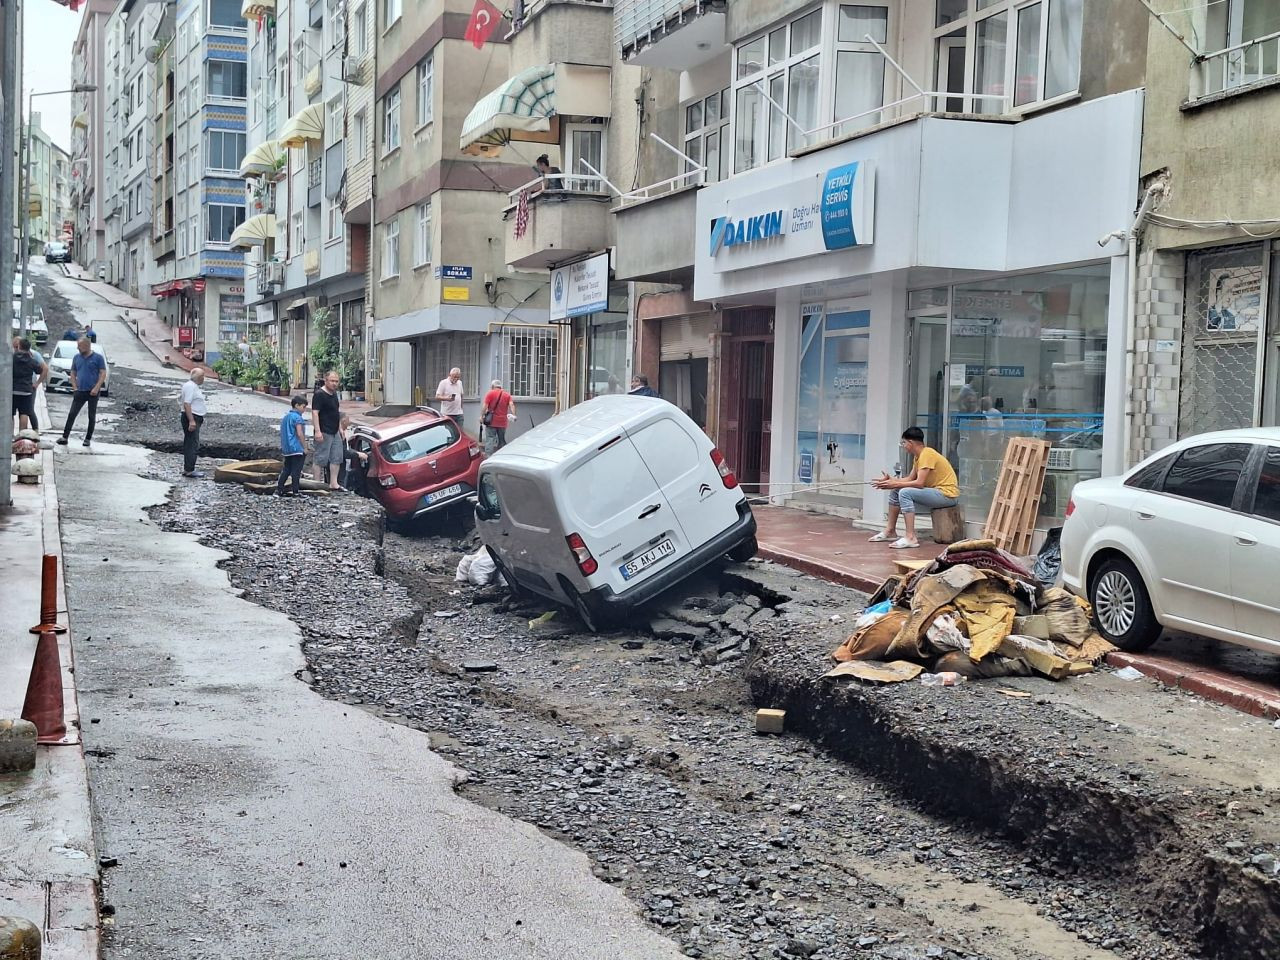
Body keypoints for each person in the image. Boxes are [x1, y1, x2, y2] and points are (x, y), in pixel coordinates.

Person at [869, 426, 960, 550]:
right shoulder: (919, 456)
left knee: (905, 492)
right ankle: (890, 530)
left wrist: (895, 484)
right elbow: (910, 479)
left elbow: (919, 483)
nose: (903, 446)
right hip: (935, 493)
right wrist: (891, 481)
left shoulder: (927, 454)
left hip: (947, 495)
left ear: (910, 443)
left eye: (904, 443)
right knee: (896, 491)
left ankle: (910, 537)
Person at [56, 337, 107, 448]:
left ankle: (87, 439)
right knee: (72, 414)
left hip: (93, 392)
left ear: (87, 346)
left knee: (91, 416)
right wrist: (75, 387)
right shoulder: (77, 357)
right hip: (80, 391)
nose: (78, 348)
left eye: (80, 346)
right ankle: (65, 437)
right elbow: (73, 373)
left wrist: (97, 388)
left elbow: (103, 373)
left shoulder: (98, 358)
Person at [311, 369, 343, 490]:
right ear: (326, 380)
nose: (334, 383)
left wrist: (340, 428)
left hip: (335, 430)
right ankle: (316, 482)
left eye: (336, 381)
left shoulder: (334, 394)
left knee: (337, 457)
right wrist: (317, 431)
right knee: (320, 458)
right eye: (332, 381)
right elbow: (315, 413)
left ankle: (333, 483)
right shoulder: (319, 394)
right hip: (324, 430)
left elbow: (336, 412)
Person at [276, 396, 309, 497]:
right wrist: (305, 447)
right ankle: (295, 491)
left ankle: (279, 489)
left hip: (287, 448)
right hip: (296, 448)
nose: (304, 409)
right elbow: (299, 433)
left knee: (286, 469)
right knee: (296, 471)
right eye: (303, 407)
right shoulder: (298, 418)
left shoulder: (286, 417)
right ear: (297, 405)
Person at [180, 368, 208, 477]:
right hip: (192, 417)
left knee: (190, 442)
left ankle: (188, 468)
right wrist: (191, 421)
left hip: (194, 416)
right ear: (199, 377)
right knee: (192, 444)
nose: (203, 379)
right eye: (202, 377)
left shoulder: (191, 386)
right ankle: (189, 470)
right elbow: (187, 404)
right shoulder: (190, 386)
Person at [11, 338, 40, 432]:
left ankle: (10, 434)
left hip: (13, 389)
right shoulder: (31, 360)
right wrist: (36, 383)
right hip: (26, 390)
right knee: (24, 413)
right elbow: (39, 370)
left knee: (10, 413)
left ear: (19, 346)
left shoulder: (12, 358)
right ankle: (22, 434)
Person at [480, 379, 516, 453]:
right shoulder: (507, 395)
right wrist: (514, 415)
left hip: (491, 422)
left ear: (493, 386)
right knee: (501, 440)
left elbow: (485, 406)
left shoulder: (490, 393)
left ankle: (488, 455)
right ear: (500, 386)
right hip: (502, 422)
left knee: (490, 439)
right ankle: (500, 456)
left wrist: (481, 416)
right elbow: (512, 405)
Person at [338, 414, 369, 495]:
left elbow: (345, 449)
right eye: (348, 421)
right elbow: (343, 452)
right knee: (341, 485)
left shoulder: (341, 433)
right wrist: (358, 454)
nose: (349, 423)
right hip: (339, 467)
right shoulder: (339, 435)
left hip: (343, 467)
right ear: (343, 421)